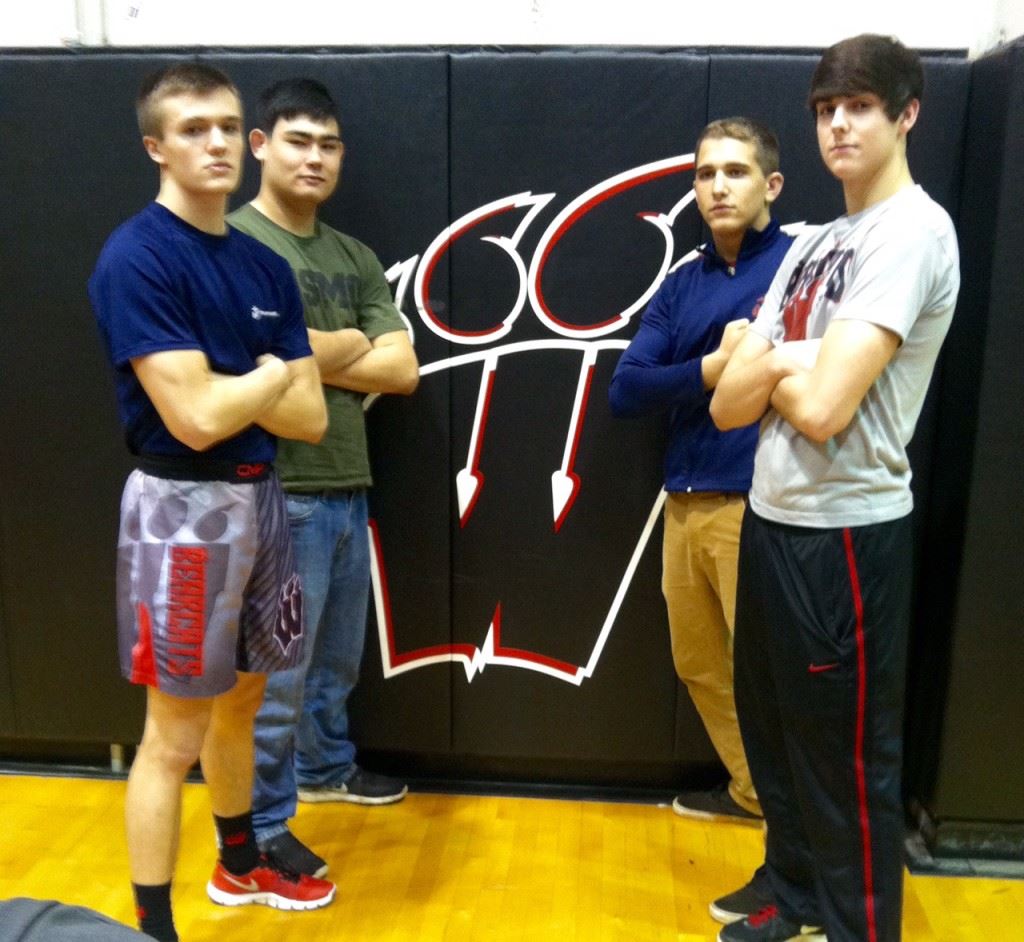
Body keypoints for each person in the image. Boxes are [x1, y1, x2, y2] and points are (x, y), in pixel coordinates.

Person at [710, 35, 960, 942]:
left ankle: (858, 928)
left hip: (845, 538)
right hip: (775, 519)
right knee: (775, 735)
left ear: (906, 114)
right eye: (825, 109)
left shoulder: (914, 232)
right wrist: (786, 359)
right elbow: (731, 404)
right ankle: (798, 896)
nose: (839, 124)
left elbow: (818, 410)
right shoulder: (818, 244)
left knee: (847, 763)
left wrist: (772, 358)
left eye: (858, 106)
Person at [88, 63, 336, 942]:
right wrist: (268, 371)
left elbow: (308, 417)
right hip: (181, 513)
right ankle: (153, 925)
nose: (218, 142)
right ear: (156, 145)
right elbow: (192, 420)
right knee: (172, 734)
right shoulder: (137, 257)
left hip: (261, 496)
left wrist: (254, 387)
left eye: (229, 126)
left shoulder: (264, 264)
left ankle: (240, 866)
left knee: (244, 698)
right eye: (194, 128)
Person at [228, 77, 419, 879]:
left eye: (328, 144)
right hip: (276, 489)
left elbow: (404, 368)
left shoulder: (355, 256)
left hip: (348, 479)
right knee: (276, 683)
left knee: (337, 660)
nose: (315, 157)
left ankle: (327, 769)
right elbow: (241, 361)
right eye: (298, 140)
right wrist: (346, 348)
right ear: (260, 145)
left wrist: (305, 350)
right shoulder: (231, 243)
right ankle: (264, 826)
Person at [609, 116, 791, 925]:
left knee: (771, 679)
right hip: (682, 504)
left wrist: (692, 377)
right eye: (707, 173)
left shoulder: (796, 266)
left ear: (770, 187)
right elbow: (626, 388)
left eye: (737, 172)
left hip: (760, 504)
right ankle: (758, 795)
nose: (719, 186)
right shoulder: (683, 284)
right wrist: (713, 367)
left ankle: (794, 844)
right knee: (698, 663)